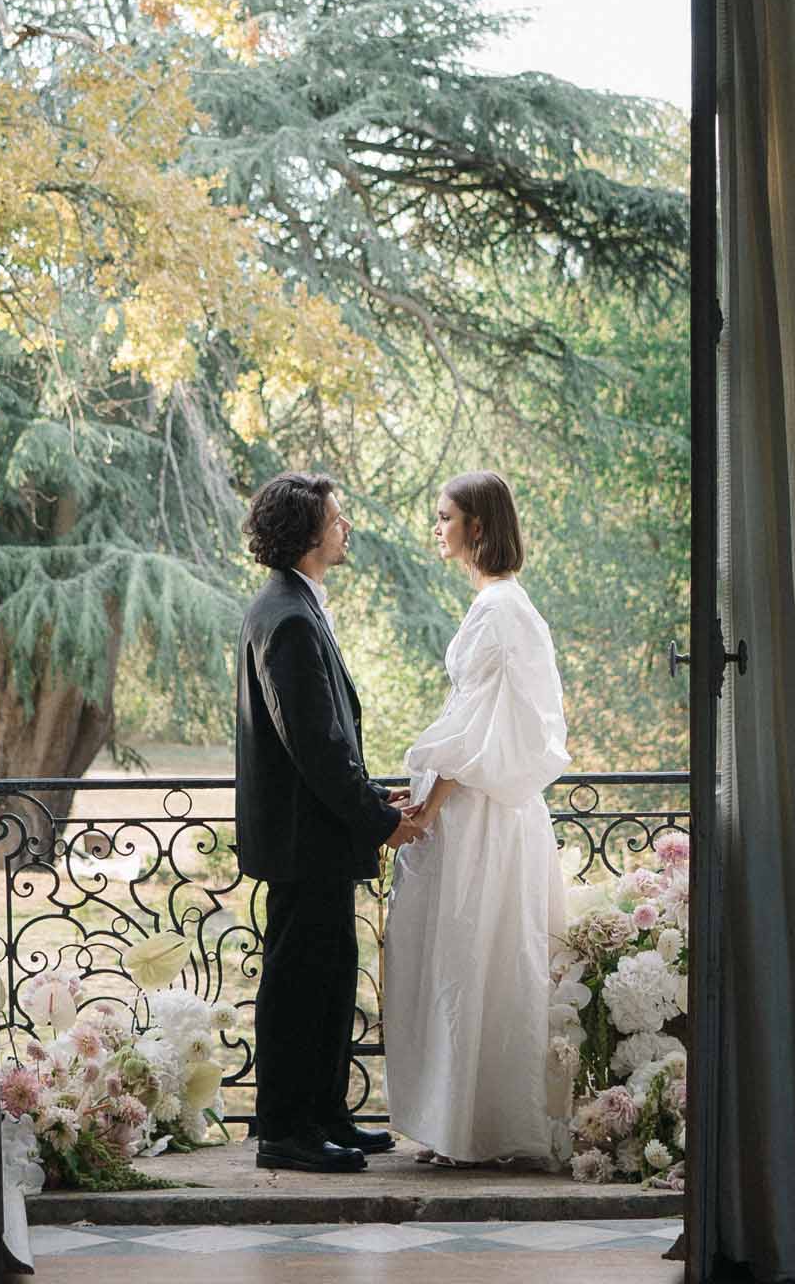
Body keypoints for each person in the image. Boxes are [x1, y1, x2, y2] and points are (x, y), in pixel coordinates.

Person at [383, 470, 572, 1168]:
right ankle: (455, 1122)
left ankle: (477, 1126)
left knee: (476, 960)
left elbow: (484, 726)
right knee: (465, 963)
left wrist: (431, 802)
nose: (436, 529)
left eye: (444, 518)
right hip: (482, 807)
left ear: (479, 528)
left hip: (485, 816)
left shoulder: (502, 611)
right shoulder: (498, 607)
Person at [235, 471, 420, 1174]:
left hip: (310, 837)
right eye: (336, 519)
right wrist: (377, 819)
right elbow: (311, 741)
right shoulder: (284, 615)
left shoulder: (292, 605)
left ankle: (323, 1112)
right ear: (309, 532)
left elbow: (326, 732)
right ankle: (285, 1129)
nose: (345, 528)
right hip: (301, 840)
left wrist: (375, 798)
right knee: (299, 982)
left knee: (328, 975)